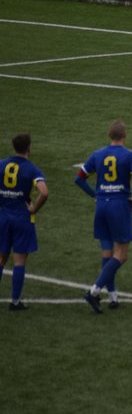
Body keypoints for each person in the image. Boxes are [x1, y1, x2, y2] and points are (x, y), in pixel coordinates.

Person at [76, 120, 132, 314]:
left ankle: (113, 296)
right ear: (125, 135)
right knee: (121, 255)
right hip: (119, 205)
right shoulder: (130, 155)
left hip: (101, 206)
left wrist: (95, 194)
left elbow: (79, 178)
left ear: (109, 135)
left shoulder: (98, 154)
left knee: (107, 252)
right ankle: (94, 291)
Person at [0, 133, 49, 311]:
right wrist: (34, 208)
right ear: (29, 148)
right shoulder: (31, 169)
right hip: (22, 218)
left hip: (3, 217)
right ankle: (14, 302)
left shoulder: (1, 164)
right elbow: (44, 192)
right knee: (19, 260)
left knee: (1, 257)